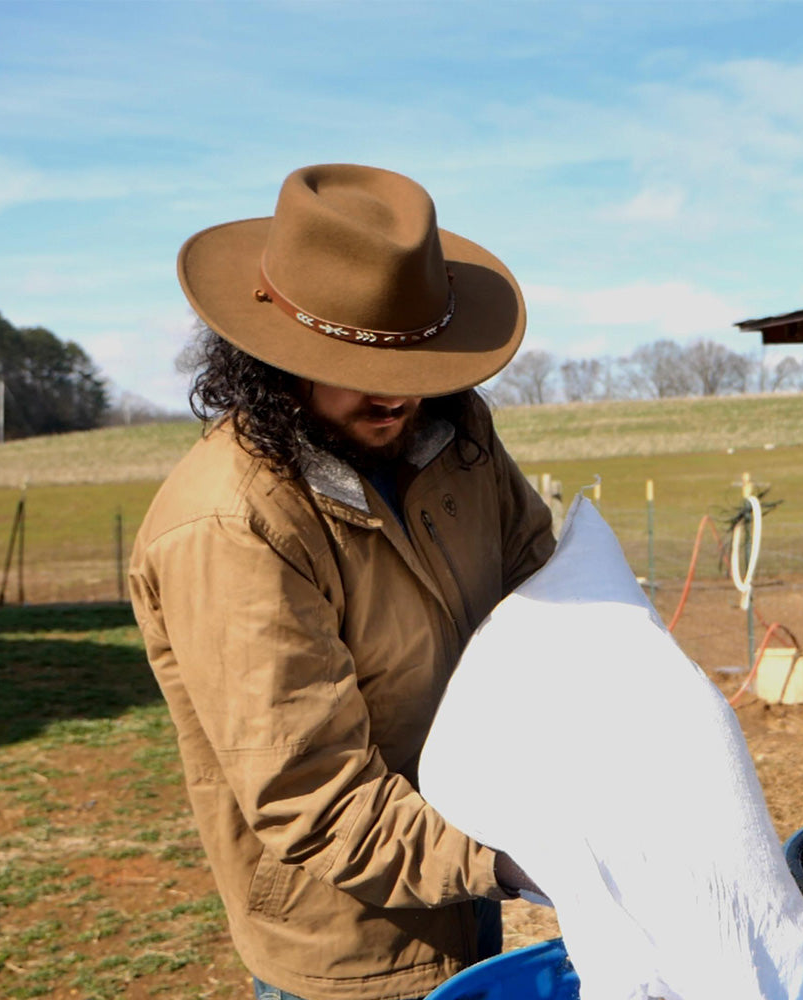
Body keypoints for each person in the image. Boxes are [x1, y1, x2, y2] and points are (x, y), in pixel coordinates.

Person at [128, 163, 556, 1000]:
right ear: (272, 356)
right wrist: (514, 861)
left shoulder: (453, 433)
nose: (397, 397)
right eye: (357, 363)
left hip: (477, 871)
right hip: (348, 942)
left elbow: (539, 586)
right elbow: (310, 790)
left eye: (419, 364)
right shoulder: (230, 525)